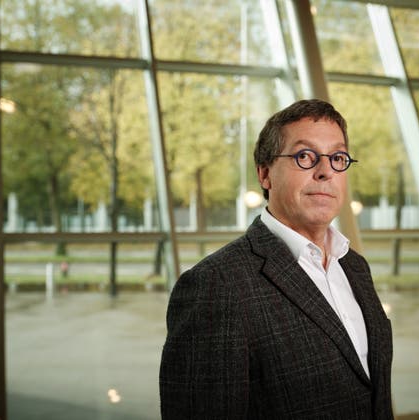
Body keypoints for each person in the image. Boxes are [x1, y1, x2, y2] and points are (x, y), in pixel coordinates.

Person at [159, 99, 393, 419]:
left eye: (337, 158)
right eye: (304, 156)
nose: (326, 171)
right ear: (265, 174)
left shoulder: (354, 266)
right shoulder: (215, 286)